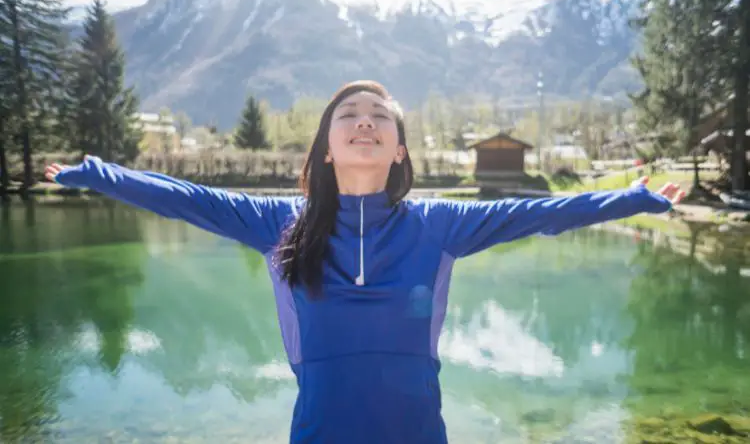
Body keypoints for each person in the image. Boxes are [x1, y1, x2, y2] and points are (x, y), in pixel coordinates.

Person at [45, 80, 685, 444]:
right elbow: (185, 198)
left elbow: (539, 214)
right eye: (348, 114)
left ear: (399, 150)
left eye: (380, 116)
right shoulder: (280, 226)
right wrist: (95, 174)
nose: (364, 122)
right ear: (325, 147)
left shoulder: (436, 226)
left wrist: (633, 199)